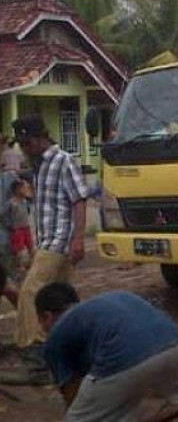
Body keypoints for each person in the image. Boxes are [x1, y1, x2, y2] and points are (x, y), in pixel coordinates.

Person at [35, 283, 178, 421]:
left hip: (127, 359)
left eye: (41, 323)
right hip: (174, 344)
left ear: (47, 316)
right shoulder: (108, 303)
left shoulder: (56, 337)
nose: (43, 329)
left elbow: (72, 395)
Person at [11, 114, 89, 349]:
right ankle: (65, 345)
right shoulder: (39, 165)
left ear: (37, 139)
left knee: (29, 293)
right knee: (58, 299)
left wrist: (78, 238)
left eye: (26, 145)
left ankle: (33, 346)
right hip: (48, 241)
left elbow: (79, 200)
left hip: (59, 241)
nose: (24, 150)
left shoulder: (63, 160)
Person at [4, 179, 34, 282]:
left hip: (26, 227)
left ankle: (31, 265)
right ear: (16, 190)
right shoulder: (11, 203)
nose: (24, 189)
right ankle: (20, 270)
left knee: (31, 246)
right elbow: (6, 215)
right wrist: (10, 226)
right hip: (17, 230)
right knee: (19, 250)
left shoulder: (25, 201)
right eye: (22, 188)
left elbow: (28, 211)